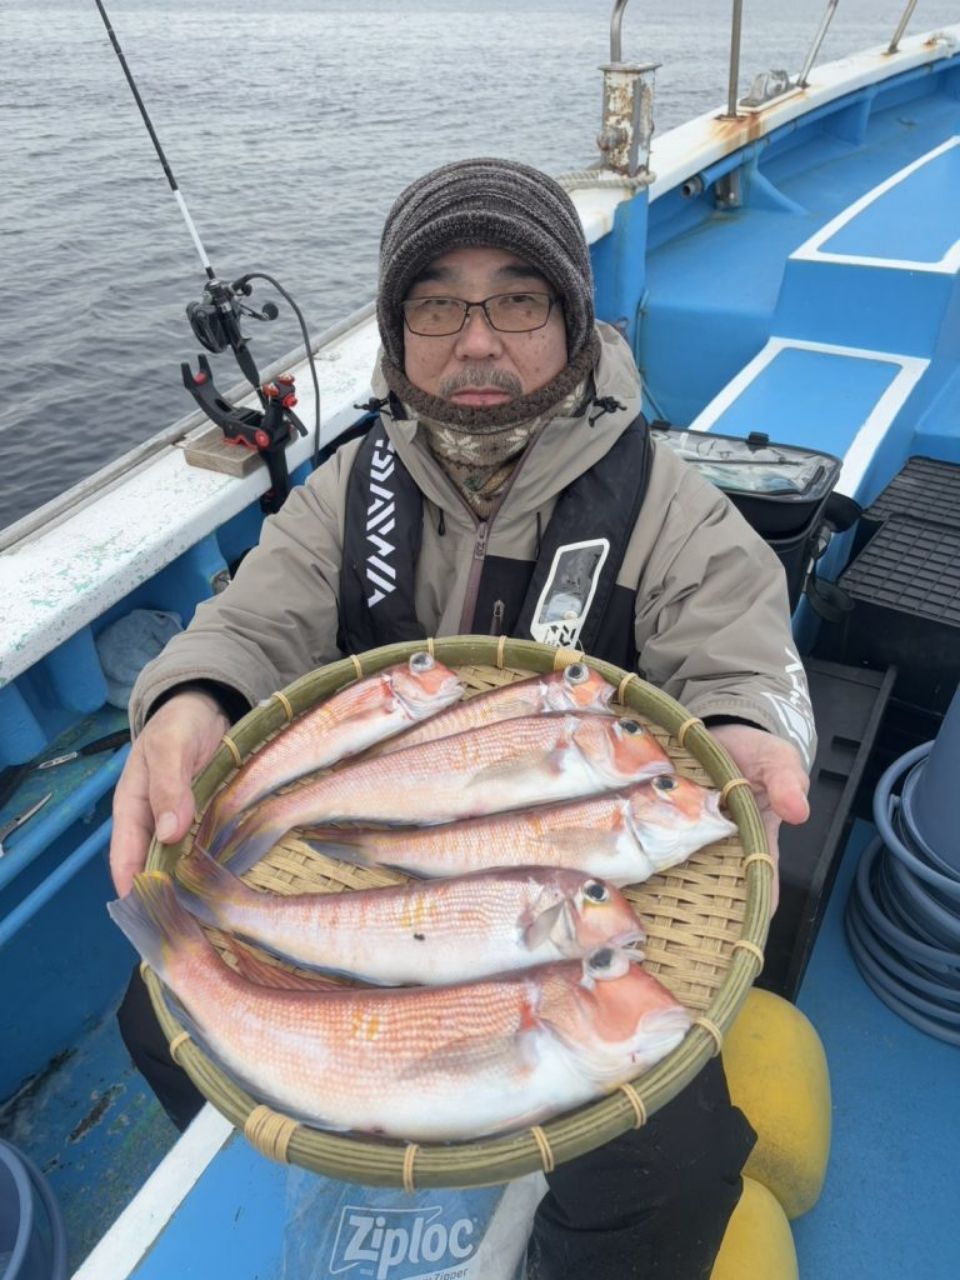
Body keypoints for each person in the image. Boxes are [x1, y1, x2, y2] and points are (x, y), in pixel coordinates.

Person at [111, 157, 814, 1278]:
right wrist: (189, 698)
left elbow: (743, 653)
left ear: (576, 326)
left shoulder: (669, 505)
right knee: (152, 1016)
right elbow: (243, 622)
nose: (476, 340)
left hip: (569, 929)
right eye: (436, 303)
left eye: (519, 300)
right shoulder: (349, 494)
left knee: (678, 1162)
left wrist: (744, 725)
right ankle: (344, 1137)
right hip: (375, 904)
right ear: (396, 337)